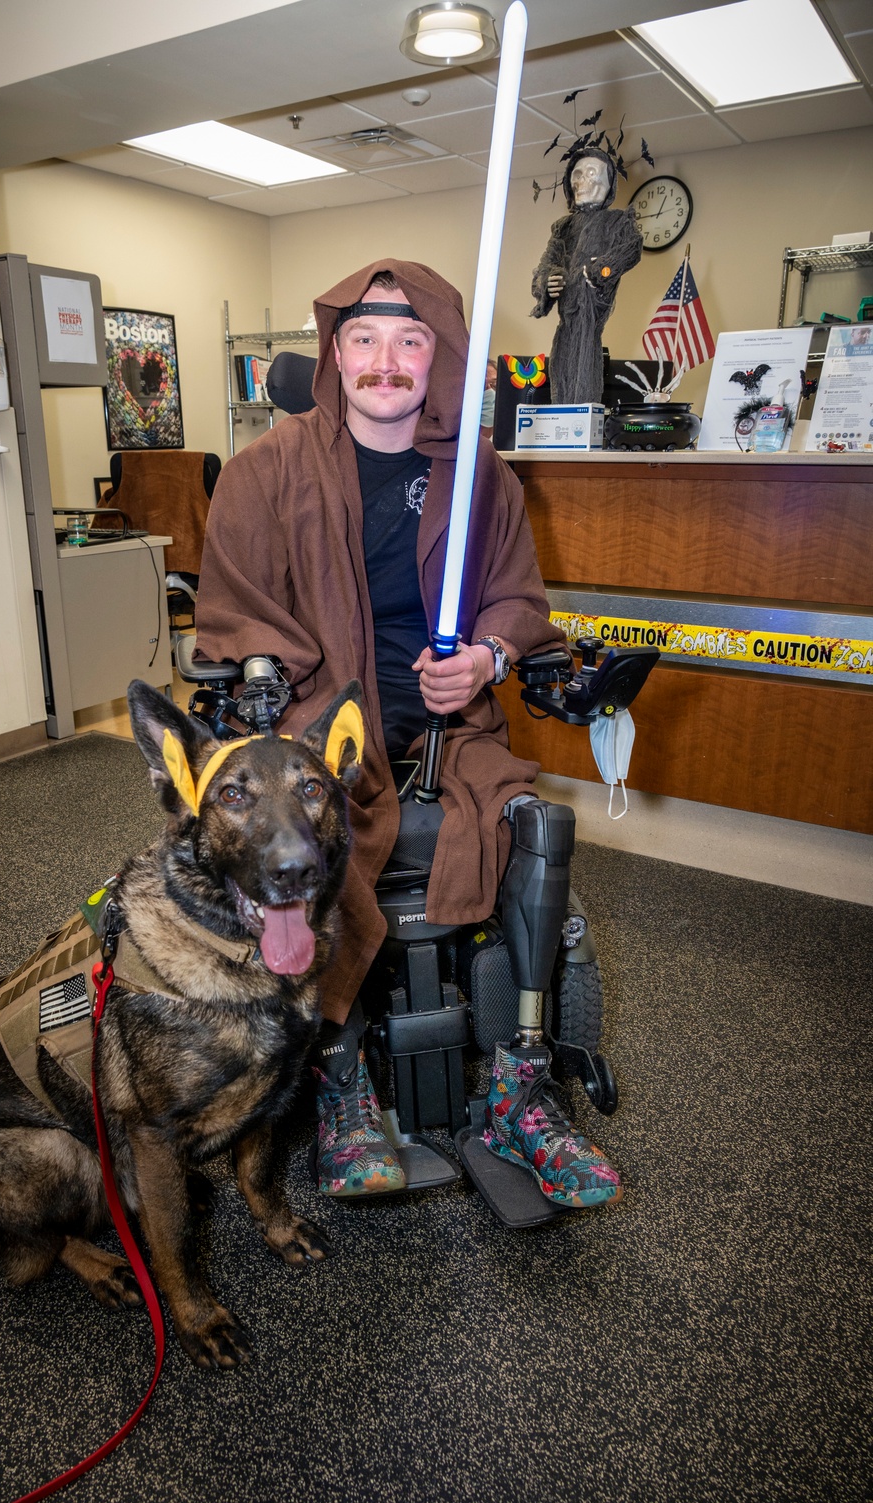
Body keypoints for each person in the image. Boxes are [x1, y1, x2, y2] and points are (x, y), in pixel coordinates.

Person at [195, 258, 621, 1207]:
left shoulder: (481, 478)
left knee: (529, 824)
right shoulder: (267, 474)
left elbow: (518, 600)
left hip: (446, 728)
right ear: (334, 351)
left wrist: (487, 661)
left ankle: (520, 1080)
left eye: (410, 339)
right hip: (319, 727)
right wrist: (284, 690)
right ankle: (342, 1076)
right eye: (365, 338)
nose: (386, 360)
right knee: (313, 833)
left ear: (439, 356)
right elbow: (232, 615)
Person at [530, 147, 642, 405]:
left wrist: (603, 270)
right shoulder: (563, 227)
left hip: (591, 312)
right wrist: (547, 282)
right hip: (567, 318)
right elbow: (546, 265)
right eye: (577, 175)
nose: (582, 181)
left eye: (592, 173)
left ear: (608, 182)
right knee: (561, 369)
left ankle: (579, 427)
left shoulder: (617, 221)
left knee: (584, 367)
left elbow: (631, 248)